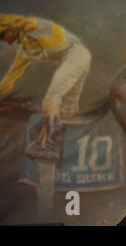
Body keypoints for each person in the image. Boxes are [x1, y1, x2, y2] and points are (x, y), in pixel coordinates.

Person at [0, 13, 91, 160]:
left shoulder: (35, 26)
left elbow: (19, 21)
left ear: (10, 29)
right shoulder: (26, 49)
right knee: (69, 110)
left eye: (2, 36)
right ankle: (77, 146)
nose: (4, 40)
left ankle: (52, 148)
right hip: (76, 59)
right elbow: (12, 77)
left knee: (50, 101)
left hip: (75, 55)